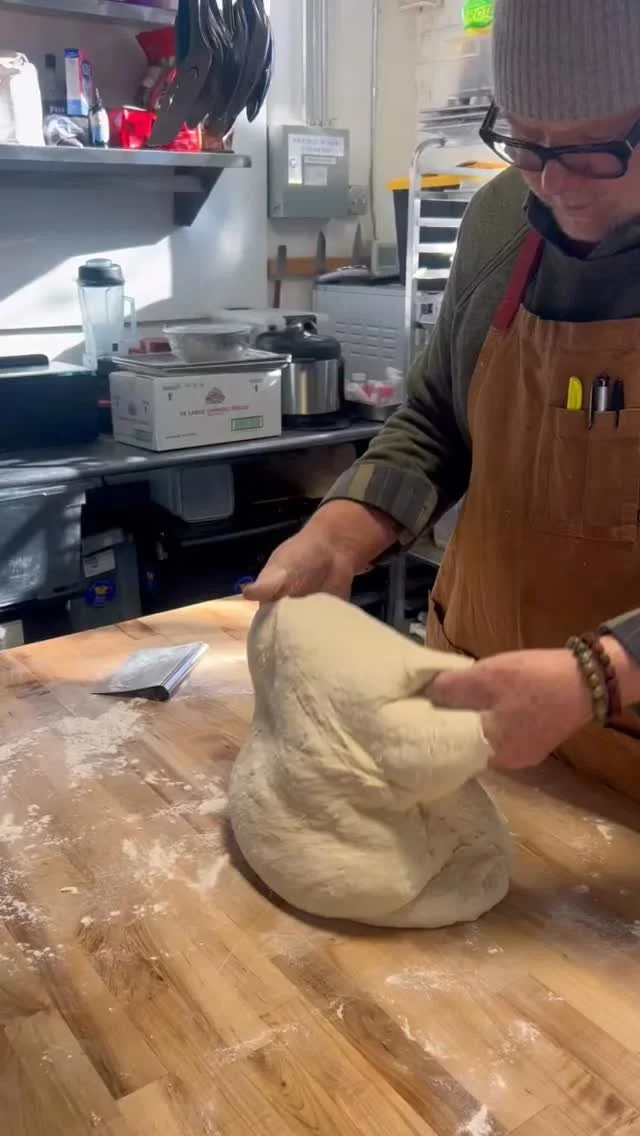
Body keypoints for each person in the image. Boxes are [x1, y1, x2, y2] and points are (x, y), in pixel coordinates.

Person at [246, 0, 640, 801]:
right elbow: (435, 417)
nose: (553, 184)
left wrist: (599, 675)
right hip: (475, 716)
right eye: (526, 141)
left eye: (591, 150)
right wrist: (341, 531)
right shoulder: (500, 223)